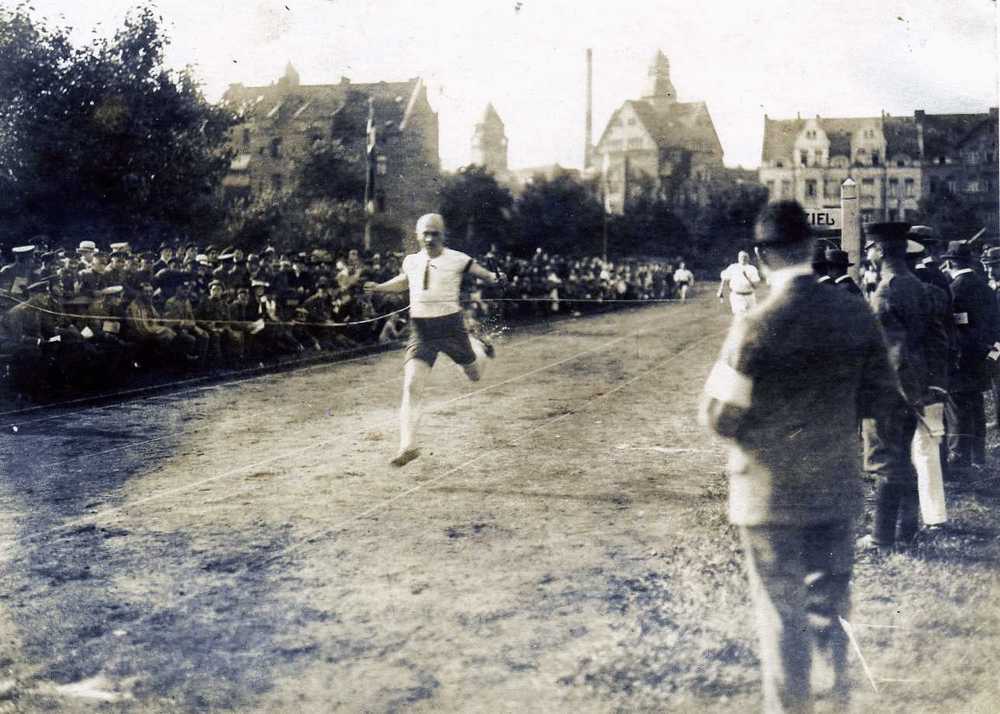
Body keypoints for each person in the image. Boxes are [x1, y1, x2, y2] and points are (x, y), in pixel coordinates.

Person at [699, 201, 897, 714]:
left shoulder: (756, 325)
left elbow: (721, 416)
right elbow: (881, 399)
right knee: (831, 610)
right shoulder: (855, 311)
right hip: (835, 482)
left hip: (770, 493)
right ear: (811, 246)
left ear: (762, 258)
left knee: (781, 617)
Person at [364, 213, 505, 468]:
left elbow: (484, 274)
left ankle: (479, 346)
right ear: (418, 235)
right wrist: (379, 287)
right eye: (425, 234)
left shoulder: (457, 258)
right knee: (411, 386)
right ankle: (407, 445)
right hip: (421, 330)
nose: (430, 238)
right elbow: (405, 282)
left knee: (474, 375)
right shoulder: (411, 261)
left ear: (443, 235)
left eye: (435, 233)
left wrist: (496, 278)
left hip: (450, 327)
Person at [858, 223, 934, 555]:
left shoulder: (887, 290)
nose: (867, 254)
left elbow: (893, 351)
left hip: (891, 387)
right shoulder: (915, 284)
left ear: (881, 251)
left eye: (869, 248)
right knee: (903, 456)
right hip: (913, 383)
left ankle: (881, 539)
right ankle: (906, 531)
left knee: (886, 460)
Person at [940, 240, 999, 476]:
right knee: (975, 406)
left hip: (961, 356)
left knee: (956, 407)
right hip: (982, 353)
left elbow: (957, 326)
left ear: (949, 262)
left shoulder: (955, 289)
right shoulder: (984, 287)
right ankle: (978, 455)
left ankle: (959, 457)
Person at [982, 247, 1000, 427]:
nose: (989, 271)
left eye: (994, 267)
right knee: (996, 382)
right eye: (986, 266)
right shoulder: (990, 288)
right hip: (996, 345)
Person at [716, 250, 761, 316]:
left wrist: (747, 277)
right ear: (738, 258)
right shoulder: (733, 267)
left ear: (748, 258)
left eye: (745, 257)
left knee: (753, 317)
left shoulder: (752, 269)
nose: (743, 259)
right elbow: (724, 278)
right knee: (741, 316)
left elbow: (755, 286)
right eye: (741, 257)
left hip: (750, 297)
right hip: (737, 297)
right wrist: (720, 290)